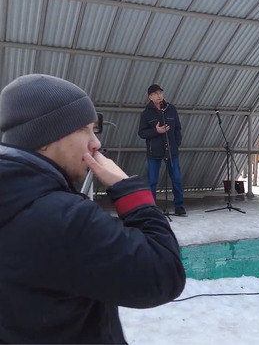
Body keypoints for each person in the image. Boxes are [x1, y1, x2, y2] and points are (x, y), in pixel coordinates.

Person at [0, 74, 185, 344]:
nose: (96, 142)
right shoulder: (62, 218)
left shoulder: (15, 197)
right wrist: (129, 190)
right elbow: (164, 274)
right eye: (84, 129)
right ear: (45, 136)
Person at [138, 84, 186, 216]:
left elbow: (177, 128)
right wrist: (156, 131)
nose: (159, 95)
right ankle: (152, 209)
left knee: (176, 178)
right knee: (152, 181)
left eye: (160, 93)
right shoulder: (146, 114)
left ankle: (179, 206)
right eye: (156, 93)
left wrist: (177, 143)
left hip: (171, 150)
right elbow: (141, 133)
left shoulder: (171, 109)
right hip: (155, 152)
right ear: (150, 97)